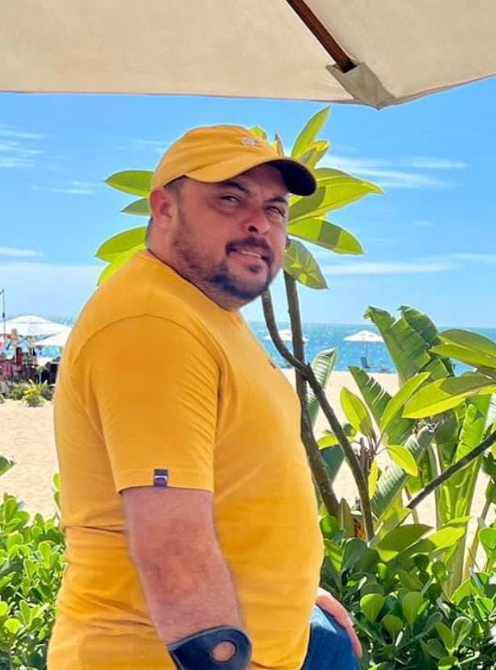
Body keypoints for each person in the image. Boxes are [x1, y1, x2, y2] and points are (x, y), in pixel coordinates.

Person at [48, 126, 362, 670]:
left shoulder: (204, 312)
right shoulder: (153, 322)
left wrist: (294, 596)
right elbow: (173, 552)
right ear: (164, 208)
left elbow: (237, 481)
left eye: (275, 209)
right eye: (230, 199)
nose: (259, 222)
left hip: (277, 639)